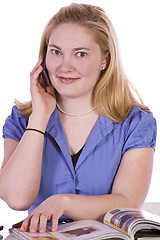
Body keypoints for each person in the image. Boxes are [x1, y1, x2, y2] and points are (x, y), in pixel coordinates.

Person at [0, 3, 156, 234]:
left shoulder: (135, 123)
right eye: (56, 52)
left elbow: (127, 203)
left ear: (105, 60)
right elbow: (16, 198)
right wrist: (40, 116)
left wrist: (64, 202)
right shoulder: (23, 120)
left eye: (80, 54)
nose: (65, 66)